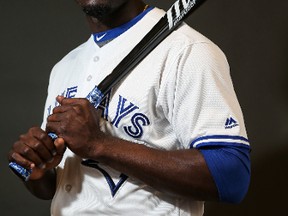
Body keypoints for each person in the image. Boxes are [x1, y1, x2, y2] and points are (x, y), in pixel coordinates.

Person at [8, 0, 251, 215]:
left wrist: (99, 144)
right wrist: (38, 169)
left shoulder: (187, 50)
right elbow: (60, 187)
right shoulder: (64, 67)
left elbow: (230, 177)